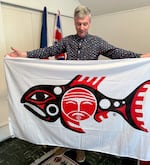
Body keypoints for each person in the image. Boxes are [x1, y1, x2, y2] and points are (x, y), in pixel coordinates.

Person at [8, 5, 150, 163]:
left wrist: (139, 56)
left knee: (82, 122)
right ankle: (65, 143)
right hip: (68, 88)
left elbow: (116, 53)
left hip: (88, 91)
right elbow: (47, 52)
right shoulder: (67, 41)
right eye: (78, 24)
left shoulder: (97, 42)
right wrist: (25, 54)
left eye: (85, 24)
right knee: (64, 119)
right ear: (75, 23)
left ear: (89, 23)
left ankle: (80, 148)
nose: (81, 27)